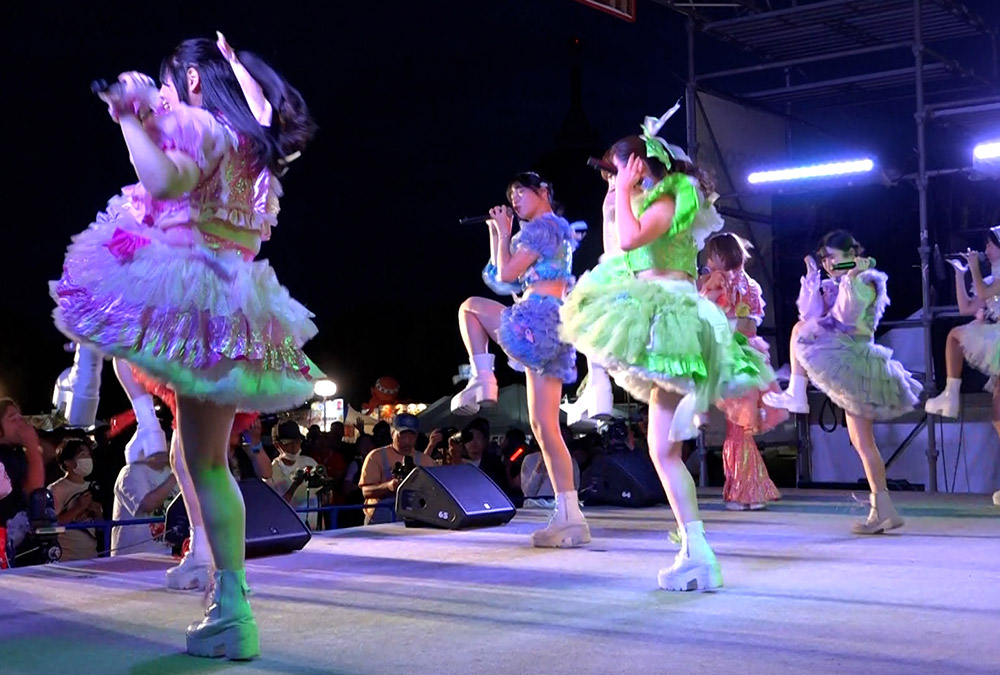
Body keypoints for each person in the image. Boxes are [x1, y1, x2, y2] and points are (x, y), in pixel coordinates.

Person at [49, 33, 319, 659]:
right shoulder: (253, 146)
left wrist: (127, 117)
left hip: (195, 297)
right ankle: (229, 603)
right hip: (235, 302)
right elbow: (257, 115)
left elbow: (165, 180)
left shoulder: (202, 126)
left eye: (173, 80)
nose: (167, 92)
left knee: (201, 460)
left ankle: (233, 609)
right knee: (209, 463)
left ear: (193, 81)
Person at [560, 108, 772, 591]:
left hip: (670, 317)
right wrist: (615, 197)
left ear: (640, 165)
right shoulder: (646, 197)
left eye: (617, 169)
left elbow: (633, 238)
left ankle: (699, 553)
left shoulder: (674, 195)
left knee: (665, 448)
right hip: (654, 311)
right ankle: (695, 550)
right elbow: (618, 253)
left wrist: (623, 192)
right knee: (661, 449)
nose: (611, 179)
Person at [450, 172, 589, 548]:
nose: (514, 199)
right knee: (544, 426)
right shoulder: (551, 231)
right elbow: (504, 280)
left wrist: (504, 233)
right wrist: (498, 233)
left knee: (469, 308)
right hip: (551, 325)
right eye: (510, 195)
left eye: (520, 192)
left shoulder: (543, 226)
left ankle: (483, 379)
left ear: (543, 191)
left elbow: (507, 271)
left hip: (536, 318)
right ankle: (570, 516)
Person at [764, 230, 922, 534]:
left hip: (857, 362)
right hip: (846, 359)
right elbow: (812, 314)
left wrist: (849, 277)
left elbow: (847, 317)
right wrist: (812, 281)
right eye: (824, 259)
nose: (827, 264)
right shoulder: (836, 283)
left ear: (851, 255)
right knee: (862, 443)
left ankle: (797, 393)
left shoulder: (865, 281)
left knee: (864, 443)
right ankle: (884, 509)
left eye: (832, 258)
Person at [699, 233, 787, 510]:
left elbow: (708, 319)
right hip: (748, 356)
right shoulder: (750, 284)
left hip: (731, 357)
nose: (709, 260)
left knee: (737, 427)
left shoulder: (720, 282)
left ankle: (746, 492)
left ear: (722, 256)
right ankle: (747, 490)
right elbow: (750, 325)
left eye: (712, 255)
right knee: (739, 426)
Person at [925, 227, 1000, 430]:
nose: (986, 249)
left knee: (955, 336)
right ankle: (950, 396)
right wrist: (960, 274)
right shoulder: (992, 279)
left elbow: (984, 293)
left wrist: (974, 267)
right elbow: (966, 308)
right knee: (997, 411)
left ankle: (951, 396)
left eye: (990, 244)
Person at [359, 413, 437, 524]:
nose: (407, 441)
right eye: (402, 436)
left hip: (415, 519)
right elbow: (366, 491)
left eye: (412, 436)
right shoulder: (375, 457)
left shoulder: (426, 461)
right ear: (392, 434)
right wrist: (388, 487)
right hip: (381, 520)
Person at [0, 400, 45, 565]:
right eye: (13, 418)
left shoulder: (17, 454)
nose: (21, 423)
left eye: (21, 417)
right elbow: (32, 490)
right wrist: (32, 447)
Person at [111, 447, 178, 556]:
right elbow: (147, 505)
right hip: (134, 556)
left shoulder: (171, 471)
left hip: (169, 553)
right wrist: (176, 474)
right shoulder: (131, 471)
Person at [47, 438, 103, 561]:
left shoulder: (92, 487)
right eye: (83, 455)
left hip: (91, 556)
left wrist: (98, 513)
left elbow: (100, 526)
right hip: (66, 558)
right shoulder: (56, 489)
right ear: (67, 461)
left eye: (89, 455)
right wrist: (78, 508)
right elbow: (51, 525)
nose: (88, 459)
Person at [266, 421, 320, 529]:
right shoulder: (270, 472)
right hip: (288, 530)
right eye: (288, 443)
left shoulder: (310, 463)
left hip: (315, 530)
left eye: (297, 441)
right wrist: (294, 485)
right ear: (277, 445)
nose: (294, 447)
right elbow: (277, 508)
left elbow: (323, 499)